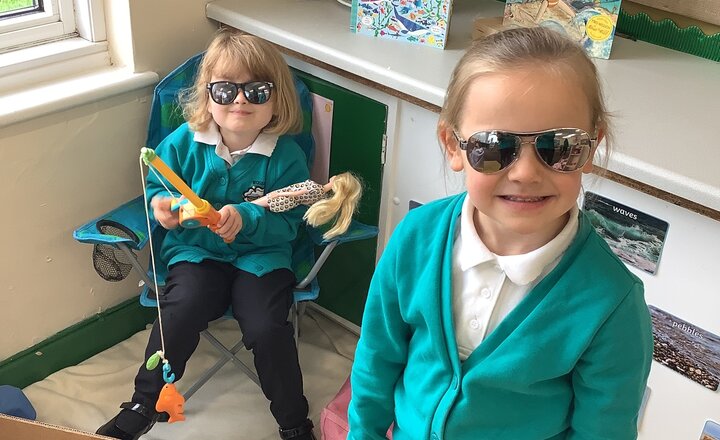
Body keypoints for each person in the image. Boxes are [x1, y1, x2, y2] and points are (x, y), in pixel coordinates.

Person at [348, 27, 653, 439]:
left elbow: (604, 431)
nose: (525, 173)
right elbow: (376, 358)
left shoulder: (611, 302)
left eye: (559, 147)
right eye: (494, 147)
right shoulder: (415, 238)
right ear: (453, 146)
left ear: (591, 147)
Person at [97, 29, 317, 440]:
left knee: (267, 327)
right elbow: (158, 190)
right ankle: (144, 403)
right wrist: (163, 208)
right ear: (208, 96)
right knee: (179, 310)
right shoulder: (182, 144)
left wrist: (247, 217)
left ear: (277, 100)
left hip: (262, 258)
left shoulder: (286, 157)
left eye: (257, 91)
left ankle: (294, 422)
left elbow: (291, 220)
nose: (239, 101)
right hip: (197, 253)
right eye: (226, 90)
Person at [252, 172, 363, 240]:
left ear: (335, 181)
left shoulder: (316, 188)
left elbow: (297, 193)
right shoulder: (321, 195)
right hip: (288, 202)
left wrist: (278, 194)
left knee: (252, 206)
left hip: (284, 199)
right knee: (255, 209)